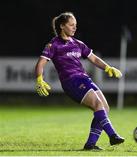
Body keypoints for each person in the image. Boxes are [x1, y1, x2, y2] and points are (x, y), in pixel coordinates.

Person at [35, 11, 125, 150]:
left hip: (84, 78)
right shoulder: (54, 45)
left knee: (104, 108)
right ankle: (112, 135)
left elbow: (93, 58)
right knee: (98, 104)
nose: (74, 27)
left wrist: (108, 68)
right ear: (62, 26)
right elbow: (41, 63)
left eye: (75, 25)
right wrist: (39, 79)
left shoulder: (78, 43)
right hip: (71, 81)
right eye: (71, 25)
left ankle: (90, 144)